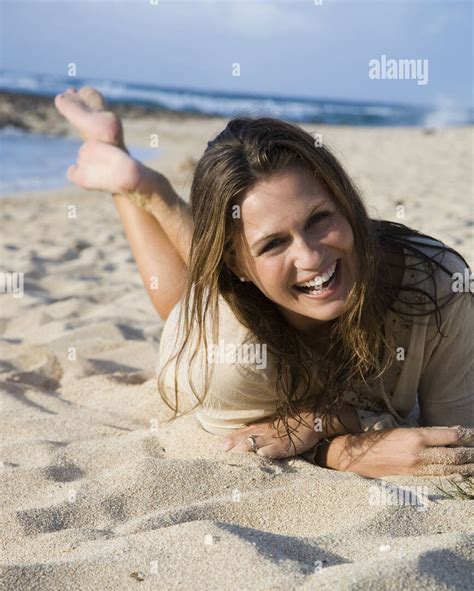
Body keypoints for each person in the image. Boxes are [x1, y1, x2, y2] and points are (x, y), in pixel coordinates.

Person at [55, 86, 474, 478]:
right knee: (185, 301)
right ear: (235, 265)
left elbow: (458, 438)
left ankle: (147, 185)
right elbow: (259, 443)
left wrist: (324, 420)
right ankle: (139, 187)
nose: (311, 256)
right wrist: (348, 449)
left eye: (320, 219)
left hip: (250, 280)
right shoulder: (228, 361)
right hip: (221, 334)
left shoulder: (436, 280)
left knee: (271, 265)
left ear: (346, 203)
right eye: (274, 243)